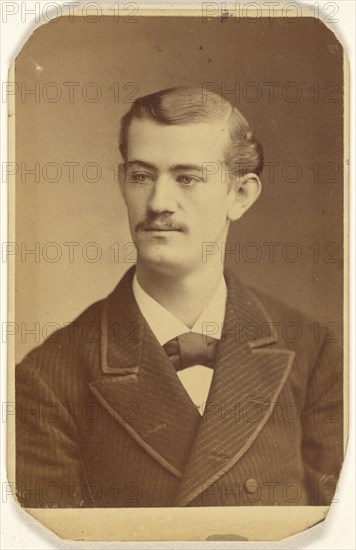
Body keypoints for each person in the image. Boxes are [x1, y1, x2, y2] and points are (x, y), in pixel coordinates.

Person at [15, 87, 343, 508]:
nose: (158, 202)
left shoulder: (313, 353)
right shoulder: (50, 378)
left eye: (187, 178)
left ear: (240, 195)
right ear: (122, 182)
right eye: (142, 176)